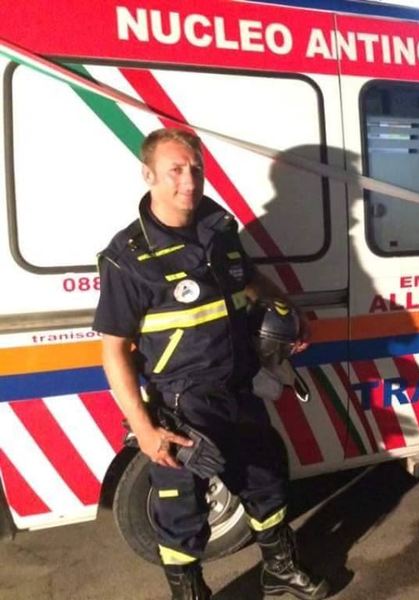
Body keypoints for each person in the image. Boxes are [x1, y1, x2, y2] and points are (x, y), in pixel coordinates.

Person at [93, 128, 329, 599]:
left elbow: (249, 280)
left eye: (195, 169)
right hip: (183, 408)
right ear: (148, 175)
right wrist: (144, 429)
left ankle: (280, 571)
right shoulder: (128, 258)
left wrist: (290, 310)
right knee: (182, 513)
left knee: (265, 483)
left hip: (241, 388)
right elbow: (113, 350)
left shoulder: (218, 228)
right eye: (175, 170)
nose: (189, 181)